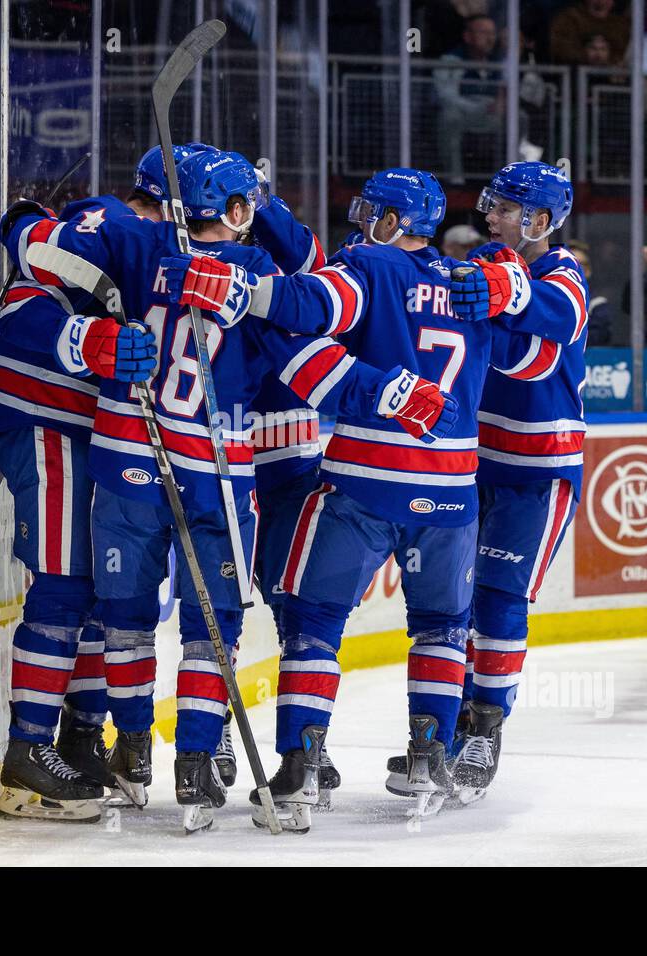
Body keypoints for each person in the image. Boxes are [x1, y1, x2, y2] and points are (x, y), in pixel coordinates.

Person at [4, 148, 445, 831]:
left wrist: (23, 222)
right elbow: (311, 362)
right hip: (219, 472)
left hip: (126, 453)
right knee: (213, 628)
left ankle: (132, 756)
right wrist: (383, 392)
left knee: (125, 616)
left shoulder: (132, 239)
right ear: (238, 211)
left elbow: (34, 251)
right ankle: (196, 764)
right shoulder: (260, 271)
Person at [165, 168, 481, 829]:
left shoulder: (369, 264)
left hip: (368, 479)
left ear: (393, 222)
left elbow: (311, 302)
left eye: (374, 213)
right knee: (442, 629)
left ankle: (302, 769)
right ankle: (431, 757)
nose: (361, 223)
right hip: (452, 490)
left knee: (310, 624)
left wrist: (244, 290)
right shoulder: (474, 285)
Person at [0, 146, 180, 822]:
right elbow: (24, 312)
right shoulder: (78, 246)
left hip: (87, 434)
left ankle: (80, 735)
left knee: (98, 590)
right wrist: (89, 341)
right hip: (45, 425)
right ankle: (28, 752)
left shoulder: (147, 261)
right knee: (65, 586)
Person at [415, 161, 588, 805]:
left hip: (537, 473)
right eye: (490, 204)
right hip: (474, 461)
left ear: (541, 221)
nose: (490, 215)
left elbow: (534, 351)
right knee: (454, 596)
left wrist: (501, 296)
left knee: (499, 594)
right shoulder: (490, 262)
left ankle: (486, 725)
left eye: (506, 208)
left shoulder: (563, 276)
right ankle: (446, 721)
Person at [433, 15, 505, 186]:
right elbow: (446, 96)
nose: (490, 38)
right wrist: (478, 108)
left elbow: (512, 89)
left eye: (493, 33)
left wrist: (504, 102)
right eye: (483, 33)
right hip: (464, 112)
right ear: (468, 36)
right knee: (449, 117)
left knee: (520, 118)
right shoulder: (450, 60)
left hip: (491, 114)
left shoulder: (500, 62)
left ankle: (510, 177)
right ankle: (455, 178)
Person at [564, 238, 615, 346]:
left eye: (580, 264)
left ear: (588, 270)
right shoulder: (547, 297)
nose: (575, 269)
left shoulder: (597, 303)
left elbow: (598, 337)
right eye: (569, 263)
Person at [549, 0, 631, 65]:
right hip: (575, 73)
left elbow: (626, 53)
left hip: (612, 76)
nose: (601, 1)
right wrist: (588, 57)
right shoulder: (570, 18)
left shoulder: (621, 25)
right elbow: (560, 48)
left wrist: (610, 61)